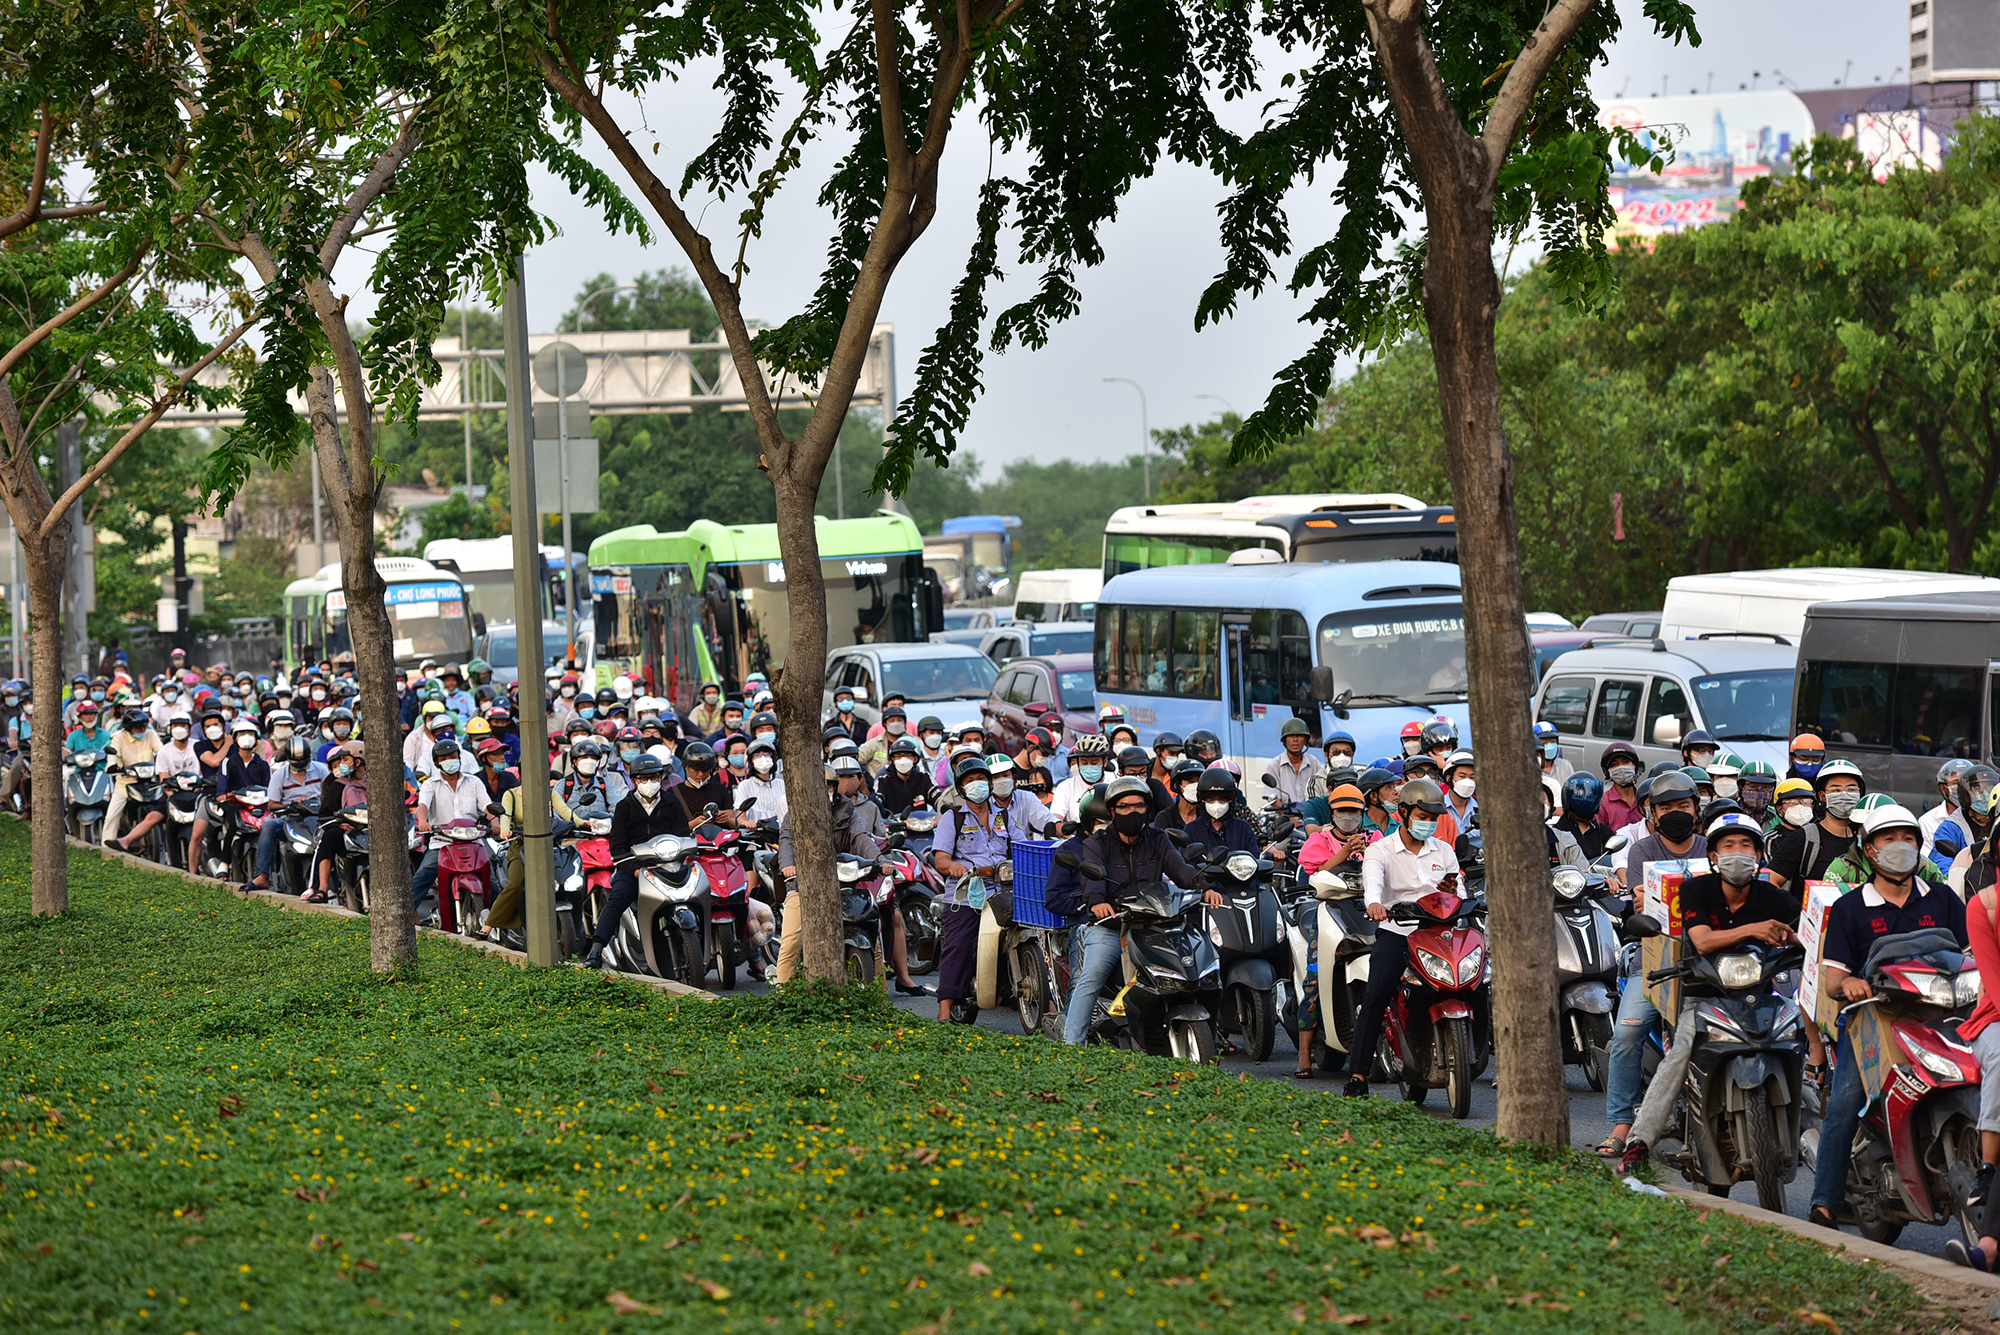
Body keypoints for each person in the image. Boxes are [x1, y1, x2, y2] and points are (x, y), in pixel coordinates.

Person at [1810, 804, 1969, 1232]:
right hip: (1871, 1019)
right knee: (1844, 1103)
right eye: (1888, 838)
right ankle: (1824, 1200)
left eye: (1909, 838)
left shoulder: (1943, 899)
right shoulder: (1849, 908)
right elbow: (1832, 980)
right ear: (1869, 850)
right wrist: (1850, 986)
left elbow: (1971, 957)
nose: (1901, 846)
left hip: (1943, 1014)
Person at [1619, 814, 1799, 1172]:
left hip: (1760, 995)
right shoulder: (1696, 890)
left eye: (1746, 845)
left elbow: (1802, 933)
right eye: (1728, 846)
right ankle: (1639, 1141)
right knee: (1681, 1051)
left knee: (1796, 1048)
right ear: (1713, 856)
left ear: (1760, 854)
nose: (1738, 853)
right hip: (1703, 994)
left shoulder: (1773, 896)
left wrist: (1793, 938)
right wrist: (1758, 929)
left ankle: (1809, 1139)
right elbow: (1701, 940)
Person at [1597, 769, 1709, 1155]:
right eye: (1665, 807)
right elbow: (1642, 900)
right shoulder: (1643, 849)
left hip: (1705, 965)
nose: (1675, 812)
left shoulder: (1711, 848)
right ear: (1652, 813)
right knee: (1627, 1035)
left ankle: (1701, 1128)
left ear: (1696, 807)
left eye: (1683, 804)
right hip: (1653, 962)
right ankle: (1621, 1124)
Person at [1069, 775, 1219, 1033]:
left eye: (1138, 806)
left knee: (1195, 968)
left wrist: (1204, 888)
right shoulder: (1097, 843)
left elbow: (1180, 869)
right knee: (1091, 977)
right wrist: (1097, 902)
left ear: (1147, 808)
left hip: (1154, 924)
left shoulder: (1158, 838)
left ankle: (1212, 1031)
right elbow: (1091, 879)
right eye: (1124, 807)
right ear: (1113, 811)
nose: (1132, 811)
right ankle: (1071, 1044)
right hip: (1110, 926)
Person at [1344, 777, 1461, 1099]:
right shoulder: (1381, 850)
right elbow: (1373, 885)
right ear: (1404, 813)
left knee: (1481, 986)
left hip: (1439, 935)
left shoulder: (1445, 850)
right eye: (1422, 817)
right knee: (1376, 995)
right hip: (1398, 933)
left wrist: (1455, 893)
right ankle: (1358, 1074)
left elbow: (1459, 892)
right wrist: (1375, 905)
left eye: (1433, 818)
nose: (1428, 824)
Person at [582, 755, 692, 969]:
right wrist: (635, 871)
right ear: (634, 781)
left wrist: (676, 861)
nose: (649, 783)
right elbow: (617, 848)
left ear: (661, 777)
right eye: (643, 778)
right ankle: (596, 949)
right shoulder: (625, 807)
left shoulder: (672, 803)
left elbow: (683, 837)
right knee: (616, 900)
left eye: (653, 777)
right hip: (635, 870)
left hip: (669, 867)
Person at [411, 739, 491, 924]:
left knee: (492, 883)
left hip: (473, 842)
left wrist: (495, 824)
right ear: (437, 762)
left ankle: (497, 925)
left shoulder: (474, 782)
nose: (449, 760)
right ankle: (402, 918)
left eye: (453, 756)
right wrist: (423, 821)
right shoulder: (430, 784)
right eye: (444, 758)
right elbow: (423, 806)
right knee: (421, 878)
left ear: (459, 758)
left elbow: (488, 807)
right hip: (442, 842)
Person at [1768, 759, 1864, 894]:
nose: (1844, 794)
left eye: (1851, 789)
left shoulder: (1866, 840)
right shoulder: (1802, 839)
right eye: (1836, 789)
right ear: (1822, 796)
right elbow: (1771, 881)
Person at [108, 708, 168, 852]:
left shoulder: (151, 734)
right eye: (137, 727)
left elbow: (161, 751)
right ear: (128, 728)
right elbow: (112, 752)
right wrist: (113, 765)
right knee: (112, 815)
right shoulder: (119, 738)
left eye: (143, 726)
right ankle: (107, 847)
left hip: (150, 782)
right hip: (126, 782)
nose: (141, 730)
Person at [1051, 734, 1111, 824]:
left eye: (1094, 762)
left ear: (1105, 762)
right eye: (1084, 762)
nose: (1089, 766)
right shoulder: (1065, 786)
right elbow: (1055, 819)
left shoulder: (1116, 782)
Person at [1268, 718, 1321, 808]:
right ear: (1285, 740)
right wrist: (1289, 818)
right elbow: (1273, 799)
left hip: (1310, 816)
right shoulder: (1274, 765)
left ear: (1305, 740)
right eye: (1291, 736)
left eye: (1299, 736)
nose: (1295, 740)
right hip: (1283, 818)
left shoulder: (1314, 763)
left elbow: (1321, 793)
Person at [1597, 743, 1643, 832]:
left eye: (1625, 762)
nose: (1621, 767)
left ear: (1635, 766)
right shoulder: (1603, 803)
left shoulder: (1644, 800)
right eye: (1615, 764)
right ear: (1608, 771)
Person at [1435, 749, 1476, 847]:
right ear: (1449, 778)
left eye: (1472, 777)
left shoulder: (1483, 809)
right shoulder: (1436, 809)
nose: (1467, 781)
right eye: (1462, 776)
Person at [1153, 758, 1206, 832]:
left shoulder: (1206, 815)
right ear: (1176, 786)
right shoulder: (1165, 818)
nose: (1196, 786)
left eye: (1199, 781)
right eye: (1190, 781)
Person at [857, 703, 907, 775]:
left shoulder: (914, 742)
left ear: (905, 723)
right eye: (892, 721)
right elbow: (857, 758)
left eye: (899, 720)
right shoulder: (874, 743)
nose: (896, 723)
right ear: (884, 724)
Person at [1535, 721, 1573, 785]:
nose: (1550, 746)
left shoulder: (1565, 766)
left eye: (1553, 741)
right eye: (1544, 742)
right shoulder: (1531, 770)